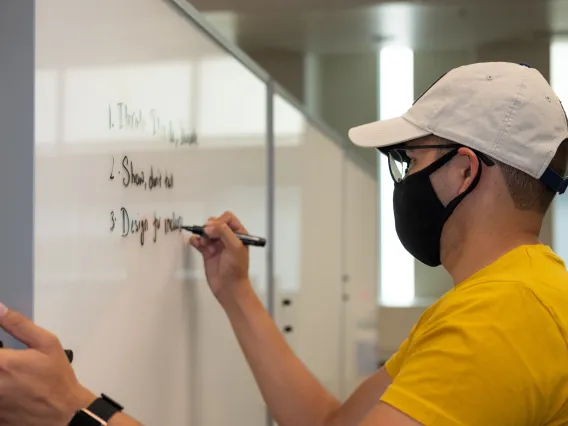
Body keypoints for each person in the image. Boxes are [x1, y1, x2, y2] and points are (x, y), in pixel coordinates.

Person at [0, 60, 567, 426]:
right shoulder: (510, 299)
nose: (403, 180)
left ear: (464, 171)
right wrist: (236, 293)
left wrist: (76, 410)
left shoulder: (501, 317)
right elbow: (329, 424)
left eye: (409, 160)